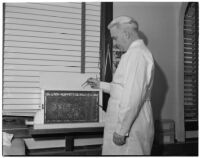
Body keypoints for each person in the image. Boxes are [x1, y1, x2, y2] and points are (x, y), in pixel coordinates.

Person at [87, 16, 155, 155]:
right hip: (129, 121)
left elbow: (132, 96)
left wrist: (122, 130)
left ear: (126, 34)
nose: (115, 43)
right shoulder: (133, 54)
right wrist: (100, 85)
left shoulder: (136, 55)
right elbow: (123, 89)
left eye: (115, 38)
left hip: (131, 125)